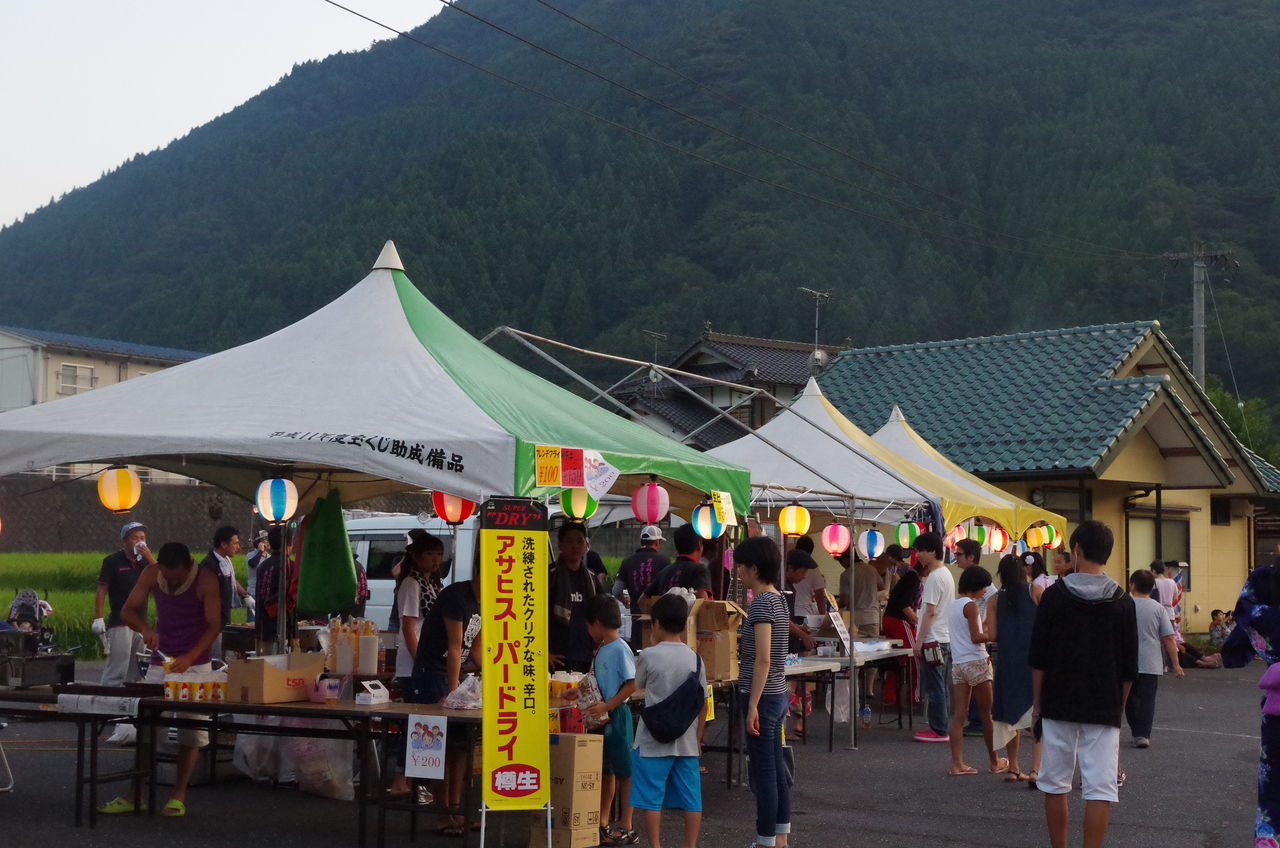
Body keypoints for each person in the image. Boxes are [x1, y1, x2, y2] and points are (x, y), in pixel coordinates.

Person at [1030, 520, 1137, 848]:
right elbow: (1129, 668)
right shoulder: (1122, 601)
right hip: (1103, 704)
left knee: (1055, 784)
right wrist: (1117, 705)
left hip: (1058, 702)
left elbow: (1039, 659)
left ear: (1076, 551)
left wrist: (1038, 706)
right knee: (1100, 789)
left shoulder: (1053, 597)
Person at [99, 541, 221, 817]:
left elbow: (214, 624)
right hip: (161, 661)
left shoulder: (206, 579)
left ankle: (179, 793)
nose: (171, 580)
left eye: (176, 576)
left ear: (188, 566)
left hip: (197, 663)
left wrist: (190, 656)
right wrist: (145, 629)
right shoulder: (151, 573)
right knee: (148, 728)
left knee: (191, 729)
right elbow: (127, 611)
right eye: (166, 575)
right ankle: (136, 793)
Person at [409, 555, 481, 834]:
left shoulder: (484, 600)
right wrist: (453, 693)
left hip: (456, 674)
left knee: (461, 745)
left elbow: (473, 648)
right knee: (436, 746)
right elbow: (454, 646)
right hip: (433, 673)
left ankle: (456, 809)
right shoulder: (456, 596)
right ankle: (441, 814)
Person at [631, 593, 706, 848]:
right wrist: (698, 738)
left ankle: (655, 846)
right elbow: (701, 703)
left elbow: (637, 685)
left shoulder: (649, 656)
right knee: (692, 800)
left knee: (651, 798)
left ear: (658, 623)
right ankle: (690, 845)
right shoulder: (696, 658)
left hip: (652, 740)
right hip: (686, 741)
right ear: (685, 624)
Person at [734, 536, 792, 848]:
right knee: (776, 768)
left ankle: (766, 840)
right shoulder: (779, 599)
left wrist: (753, 704)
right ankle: (780, 837)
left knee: (764, 771)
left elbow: (763, 658)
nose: (739, 572)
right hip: (778, 692)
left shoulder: (761, 603)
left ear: (754, 568)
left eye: (741, 567)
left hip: (762, 695)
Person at [1222, 564, 1280, 846]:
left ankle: (1269, 838)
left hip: (1278, 709)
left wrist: (1235, 651)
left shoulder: (1264, 590)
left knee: (1273, 782)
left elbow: (1246, 610)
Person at [576, 595, 638, 846]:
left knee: (625, 771)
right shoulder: (603, 647)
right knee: (606, 770)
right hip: (602, 717)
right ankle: (602, 822)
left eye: (588, 625)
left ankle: (627, 823)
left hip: (617, 717)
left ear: (598, 623)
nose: (587, 630)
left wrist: (608, 705)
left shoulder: (620, 648)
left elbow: (632, 683)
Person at [93, 521, 152, 744]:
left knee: (137, 671)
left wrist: (148, 557)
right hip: (120, 621)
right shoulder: (112, 561)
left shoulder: (145, 564)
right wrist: (98, 617)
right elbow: (101, 589)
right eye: (135, 537)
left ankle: (128, 717)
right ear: (124, 541)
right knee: (116, 669)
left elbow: (161, 577)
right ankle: (107, 716)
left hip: (141, 623)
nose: (139, 541)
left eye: (142, 537)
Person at [946, 565, 1002, 775]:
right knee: (987, 714)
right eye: (984, 587)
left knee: (960, 714)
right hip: (977, 662)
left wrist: (985, 625)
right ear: (976, 586)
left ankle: (957, 764)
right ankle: (995, 761)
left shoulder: (953, 605)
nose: (986, 591)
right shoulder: (970, 606)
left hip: (959, 664)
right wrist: (995, 635)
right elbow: (976, 637)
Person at [1127, 569, 1183, 748]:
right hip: (1151, 661)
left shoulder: (1124, 604)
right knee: (1147, 699)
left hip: (1126, 659)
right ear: (1152, 588)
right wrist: (1176, 664)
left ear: (1132, 585)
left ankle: (1136, 730)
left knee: (1129, 698)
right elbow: (1168, 637)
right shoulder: (1158, 608)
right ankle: (1143, 735)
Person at [992, 554, 1036, 783]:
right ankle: (1037, 769)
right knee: (1037, 714)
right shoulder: (1034, 592)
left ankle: (1014, 766)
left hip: (1007, 662)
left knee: (1010, 718)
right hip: (1032, 662)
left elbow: (990, 635)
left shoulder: (995, 599)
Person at [913, 531, 954, 743]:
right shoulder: (946, 574)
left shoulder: (934, 577)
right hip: (944, 638)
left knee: (935, 686)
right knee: (942, 686)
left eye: (921, 550)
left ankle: (939, 729)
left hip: (932, 639)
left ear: (932, 551)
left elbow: (929, 611)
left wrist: (919, 641)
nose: (918, 554)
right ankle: (942, 726)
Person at [198, 525, 253, 660]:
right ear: (223, 544)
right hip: (211, 622)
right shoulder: (209, 564)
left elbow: (232, 580)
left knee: (222, 654)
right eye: (235, 543)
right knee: (214, 657)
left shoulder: (226, 561)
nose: (238, 547)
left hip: (223, 618)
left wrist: (245, 595)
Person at [550, 522, 599, 672]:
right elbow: (533, 615)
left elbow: (602, 612)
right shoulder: (549, 576)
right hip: (557, 656)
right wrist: (543, 652)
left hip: (585, 654)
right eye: (569, 541)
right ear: (560, 545)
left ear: (586, 546)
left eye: (579, 541)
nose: (575, 546)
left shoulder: (591, 578)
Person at [880, 569, 920, 706]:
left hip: (888, 620)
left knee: (896, 659)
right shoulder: (914, 578)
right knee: (915, 656)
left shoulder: (909, 577)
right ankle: (915, 695)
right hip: (899, 621)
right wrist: (918, 620)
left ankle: (889, 695)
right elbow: (905, 605)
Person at [643, 524, 712, 600]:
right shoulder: (699, 570)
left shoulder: (665, 571)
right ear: (699, 545)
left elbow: (642, 599)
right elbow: (703, 600)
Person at [614, 525, 670, 603]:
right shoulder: (664, 561)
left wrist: (625, 601)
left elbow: (616, 590)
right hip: (657, 612)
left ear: (641, 541)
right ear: (657, 542)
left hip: (635, 613)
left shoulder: (627, 561)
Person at [244, 530, 269, 623]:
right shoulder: (250, 555)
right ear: (259, 543)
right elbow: (253, 564)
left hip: (266, 593)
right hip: (253, 592)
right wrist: (260, 552)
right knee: (252, 621)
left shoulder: (269, 557)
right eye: (265, 540)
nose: (268, 542)